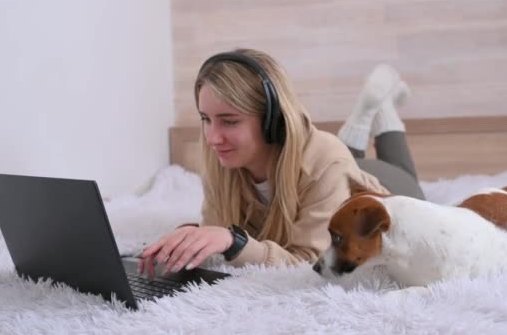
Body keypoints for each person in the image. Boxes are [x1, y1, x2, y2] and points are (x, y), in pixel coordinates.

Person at [139, 48, 425, 277]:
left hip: (388, 188)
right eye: (205, 119)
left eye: (229, 121)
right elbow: (219, 228)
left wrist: (234, 242)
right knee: (335, 157)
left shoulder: (326, 162)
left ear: (272, 122)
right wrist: (195, 238)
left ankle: (383, 112)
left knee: (395, 172)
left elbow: (309, 265)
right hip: (326, 169)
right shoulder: (221, 159)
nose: (213, 137)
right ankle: (361, 123)